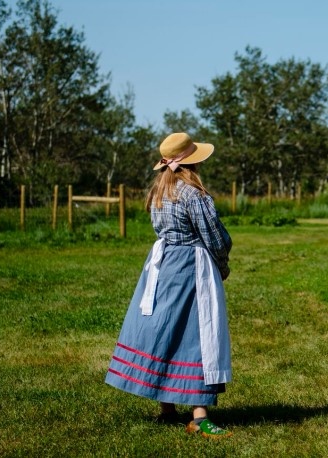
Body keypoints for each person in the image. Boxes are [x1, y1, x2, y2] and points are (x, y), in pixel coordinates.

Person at [105, 132, 234, 438]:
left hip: (162, 267)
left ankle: (167, 409)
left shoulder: (159, 193)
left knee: (166, 329)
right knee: (197, 333)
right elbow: (214, 236)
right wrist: (222, 264)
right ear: (193, 162)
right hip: (191, 268)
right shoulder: (194, 194)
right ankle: (200, 416)